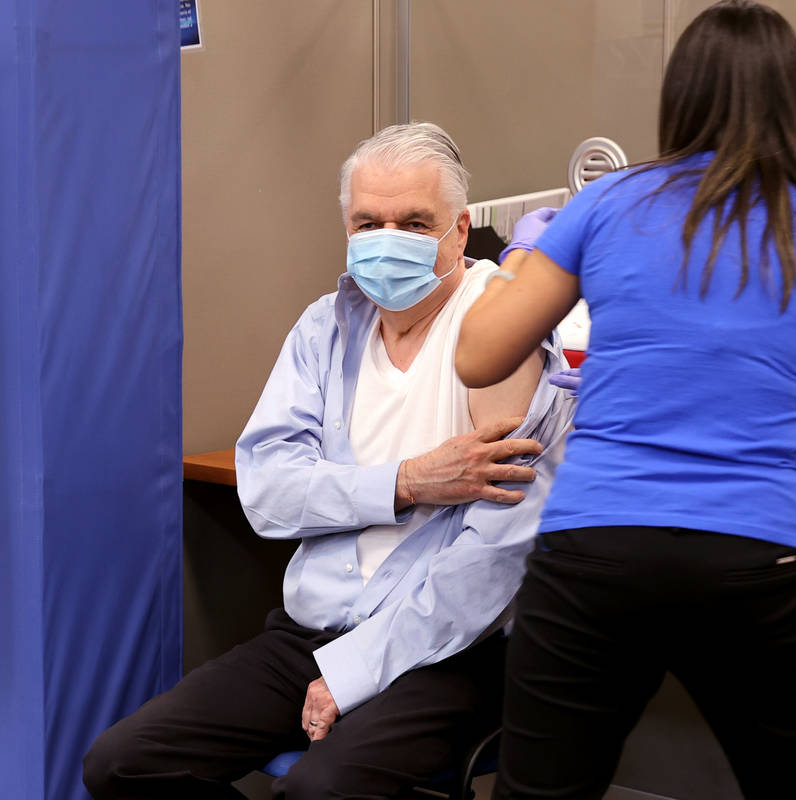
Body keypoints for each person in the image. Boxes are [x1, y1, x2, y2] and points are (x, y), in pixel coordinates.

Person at [83, 122, 573, 799]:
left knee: (319, 792)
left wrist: (355, 672)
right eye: (367, 222)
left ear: (461, 231)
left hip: (449, 653)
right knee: (122, 763)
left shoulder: (503, 343)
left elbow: (491, 565)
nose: (386, 240)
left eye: (414, 222)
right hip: (308, 633)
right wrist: (403, 483)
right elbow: (268, 493)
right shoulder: (325, 329)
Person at [455, 3, 796, 798]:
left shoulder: (609, 205)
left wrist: (525, 252)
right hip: (754, 555)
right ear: (792, 100)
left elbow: (477, 356)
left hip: (598, 551)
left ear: (679, 96)